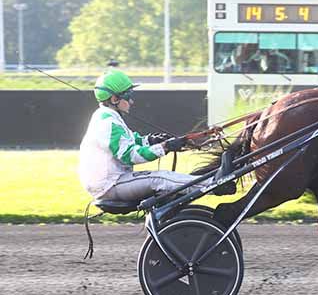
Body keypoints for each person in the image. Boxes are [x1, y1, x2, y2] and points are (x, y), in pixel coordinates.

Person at [79, 69, 234, 203]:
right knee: (160, 178)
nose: (131, 101)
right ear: (114, 99)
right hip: (109, 185)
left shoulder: (108, 116)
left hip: (113, 181)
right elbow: (130, 155)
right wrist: (165, 147)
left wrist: (152, 140)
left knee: (162, 178)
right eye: (128, 95)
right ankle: (214, 183)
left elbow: (132, 140)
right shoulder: (108, 122)